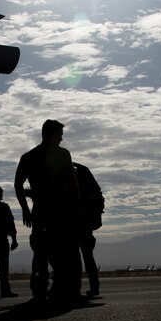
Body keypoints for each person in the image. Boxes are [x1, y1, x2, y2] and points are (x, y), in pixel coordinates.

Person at [14, 120, 82, 305]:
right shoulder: (61, 154)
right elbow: (72, 183)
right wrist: (76, 207)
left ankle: (41, 290)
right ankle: (62, 290)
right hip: (59, 210)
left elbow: (18, 184)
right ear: (52, 134)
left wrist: (25, 210)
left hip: (43, 211)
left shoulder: (29, 157)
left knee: (42, 251)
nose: (62, 137)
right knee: (64, 251)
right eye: (60, 133)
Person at [73, 162, 105, 297]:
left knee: (79, 258)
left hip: (82, 226)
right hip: (85, 227)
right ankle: (92, 288)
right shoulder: (90, 190)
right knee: (86, 258)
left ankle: (77, 289)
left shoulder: (85, 193)